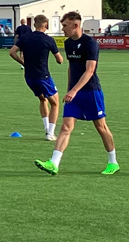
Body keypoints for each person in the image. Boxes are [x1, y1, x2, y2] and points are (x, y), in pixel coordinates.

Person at [37, 12, 117, 176]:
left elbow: (90, 71)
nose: (62, 28)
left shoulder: (90, 44)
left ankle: (113, 162)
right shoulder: (68, 44)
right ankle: (54, 163)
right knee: (66, 127)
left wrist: (74, 90)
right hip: (74, 94)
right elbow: (71, 68)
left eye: (65, 25)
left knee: (100, 127)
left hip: (91, 91)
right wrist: (69, 90)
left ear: (75, 25)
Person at [8, 14, 63, 141]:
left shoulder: (26, 38)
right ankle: (50, 133)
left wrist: (24, 63)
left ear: (34, 25)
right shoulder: (48, 40)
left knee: (42, 100)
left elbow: (11, 52)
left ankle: (46, 129)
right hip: (43, 76)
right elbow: (59, 60)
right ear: (46, 25)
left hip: (29, 77)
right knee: (55, 103)